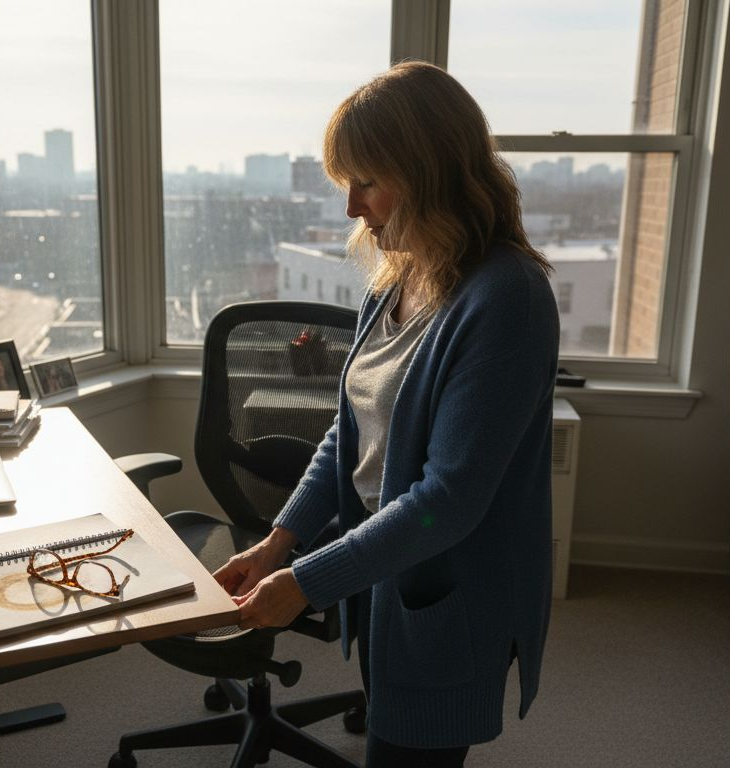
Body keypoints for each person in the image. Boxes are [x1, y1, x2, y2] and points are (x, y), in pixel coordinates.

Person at [213, 61, 559, 766]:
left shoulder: (506, 298)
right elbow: (349, 432)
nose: (351, 208)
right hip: (381, 568)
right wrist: (279, 543)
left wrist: (306, 581)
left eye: (366, 182)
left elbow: (449, 501)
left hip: (448, 588)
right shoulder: (396, 282)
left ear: (428, 172)